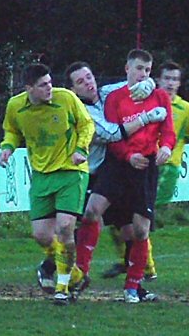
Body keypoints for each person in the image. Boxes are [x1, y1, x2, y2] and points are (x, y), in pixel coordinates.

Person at [104, 61, 189, 281]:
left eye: (176, 79)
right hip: (140, 167)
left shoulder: (186, 110)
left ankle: (143, 267)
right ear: (158, 79)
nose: (171, 83)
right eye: (167, 78)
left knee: (136, 218)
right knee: (120, 218)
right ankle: (131, 260)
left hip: (167, 170)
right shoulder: (148, 100)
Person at [75, 49, 176, 303]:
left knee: (139, 231)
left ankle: (133, 285)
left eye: (148, 70)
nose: (143, 74)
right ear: (127, 69)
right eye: (139, 68)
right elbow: (113, 136)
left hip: (145, 169)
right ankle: (80, 273)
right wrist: (128, 156)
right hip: (118, 165)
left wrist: (166, 147)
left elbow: (169, 131)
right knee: (91, 211)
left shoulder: (160, 96)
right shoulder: (114, 97)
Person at [0, 63, 94, 306]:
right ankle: (76, 276)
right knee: (41, 235)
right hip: (41, 175)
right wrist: (7, 148)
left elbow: (87, 125)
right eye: (43, 85)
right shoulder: (16, 106)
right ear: (29, 88)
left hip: (72, 172)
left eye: (50, 82)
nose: (49, 88)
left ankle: (62, 287)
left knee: (65, 228)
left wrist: (81, 149)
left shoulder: (67, 98)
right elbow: (11, 131)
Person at [64, 61, 163, 283]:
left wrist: (148, 82)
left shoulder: (106, 93)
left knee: (129, 229)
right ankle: (73, 271)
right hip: (91, 174)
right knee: (88, 218)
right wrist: (147, 118)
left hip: (115, 170)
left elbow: (135, 82)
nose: (88, 83)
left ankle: (138, 277)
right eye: (80, 81)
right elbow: (111, 134)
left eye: (88, 76)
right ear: (72, 91)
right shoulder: (81, 112)